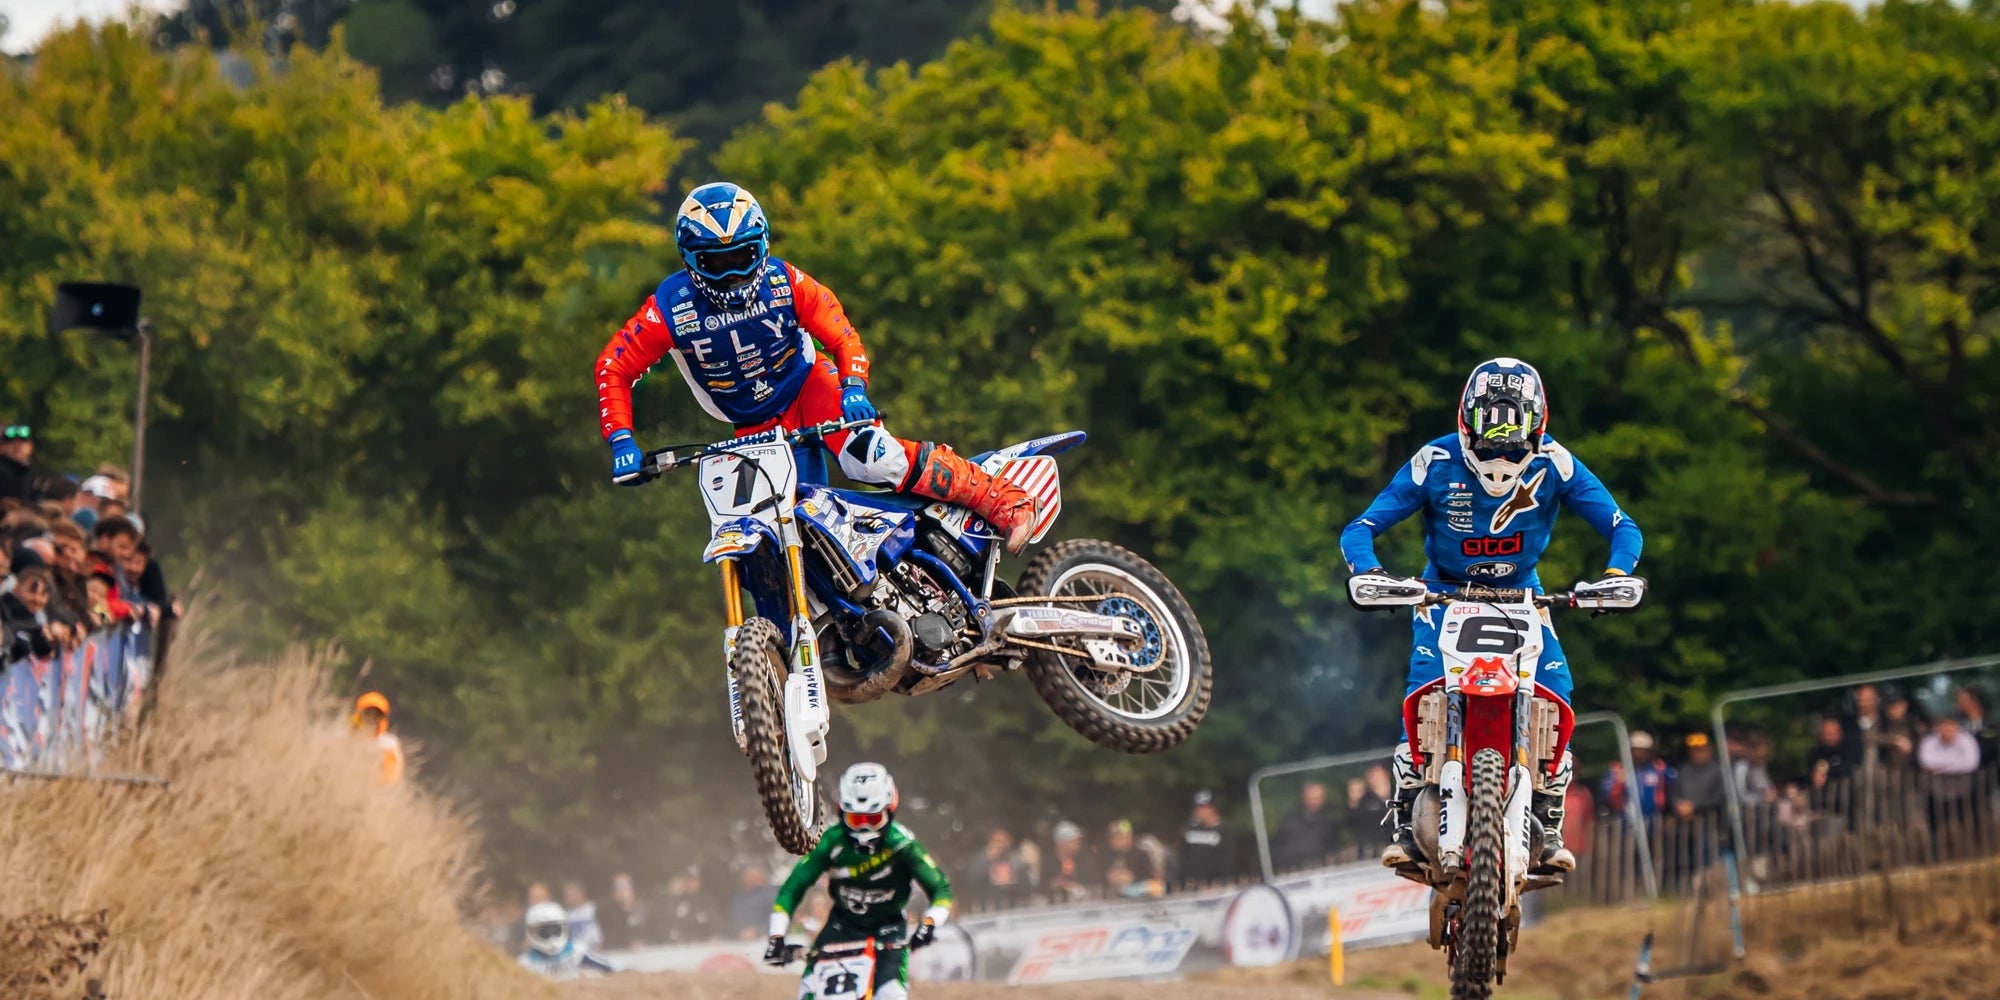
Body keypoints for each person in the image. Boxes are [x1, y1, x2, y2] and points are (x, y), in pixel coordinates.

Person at [592, 182, 1038, 551]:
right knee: (770, 534)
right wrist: (622, 440)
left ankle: (1002, 500)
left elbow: (841, 334)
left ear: (762, 247)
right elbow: (613, 366)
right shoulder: (669, 307)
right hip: (751, 427)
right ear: (691, 260)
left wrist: (854, 388)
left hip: (810, 391)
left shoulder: (786, 282)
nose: (732, 275)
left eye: (742, 258)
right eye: (716, 263)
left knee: (872, 459)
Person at [1342, 358, 1644, 873]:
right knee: (1423, 690)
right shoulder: (1433, 460)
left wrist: (1615, 575)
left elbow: (1623, 527)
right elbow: (1361, 527)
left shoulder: (1557, 463)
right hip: (1442, 593)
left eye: (1513, 442)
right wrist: (1372, 573)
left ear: (1537, 429)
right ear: (1467, 423)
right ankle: (1405, 814)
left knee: (1557, 691)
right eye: (1490, 441)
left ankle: (1546, 818)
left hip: (1522, 596)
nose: (1501, 454)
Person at [765, 763, 952, 1000]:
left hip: (889, 931)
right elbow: (793, 887)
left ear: (889, 811)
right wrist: (777, 937)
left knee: (890, 996)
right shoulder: (831, 842)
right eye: (856, 819)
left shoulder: (903, 844)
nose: (864, 829)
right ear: (841, 813)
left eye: (872, 819)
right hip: (840, 929)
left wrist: (930, 922)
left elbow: (941, 888)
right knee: (808, 995)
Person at [517, 900, 615, 981]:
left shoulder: (576, 951)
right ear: (531, 932)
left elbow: (610, 968)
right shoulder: (525, 963)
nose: (551, 936)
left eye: (556, 929)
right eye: (544, 931)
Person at [1273, 782, 1336, 872]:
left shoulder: (1329, 819)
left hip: (1322, 869)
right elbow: (1280, 847)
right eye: (1313, 798)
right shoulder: (1290, 819)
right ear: (1304, 798)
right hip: (1294, 870)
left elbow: (1333, 846)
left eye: (1319, 798)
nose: (1316, 802)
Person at [1178, 790, 1232, 888]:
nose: (1199, 811)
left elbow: (1227, 859)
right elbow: (1184, 855)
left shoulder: (1224, 830)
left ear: (1212, 808)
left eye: (1203, 808)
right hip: (1191, 884)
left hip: (1214, 885)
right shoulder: (1189, 829)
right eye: (1197, 808)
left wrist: (1222, 881)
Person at [348, 692, 405, 784]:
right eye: (368, 713)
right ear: (359, 713)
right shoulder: (343, 734)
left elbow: (392, 776)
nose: (372, 717)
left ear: (382, 718)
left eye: (377, 715)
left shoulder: (388, 744)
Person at [1101, 819, 1164, 898]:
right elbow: (1096, 877)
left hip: (1138, 897)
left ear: (1129, 837)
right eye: (1112, 837)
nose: (1114, 840)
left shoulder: (1141, 854)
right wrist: (1109, 877)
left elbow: (1151, 877)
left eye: (1118, 836)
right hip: (1113, 896)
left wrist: (1131, 877)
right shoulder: (1106, 855)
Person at [601, 872, 651, 951]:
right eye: (618, 887)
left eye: (626, 886)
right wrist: (628, 944)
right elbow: (607, 941)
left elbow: (656, 934)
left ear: (632, 890)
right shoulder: (606, 914)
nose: (622, 891)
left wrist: (644, 942)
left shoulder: (645, 910)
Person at [1043, 821, 1088, 902]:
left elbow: (1094, 884)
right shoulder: (1047, 862)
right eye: (1073, 841)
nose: (1078, 844)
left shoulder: (1084, 859)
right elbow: (1039, 887)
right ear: (1061, 843)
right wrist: (1053, 884)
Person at [0, 426, 34, 505]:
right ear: (1, 447)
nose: (17, 446)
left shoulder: (32, 475)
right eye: (10, 443)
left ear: (31, 447)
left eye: (22, 442)